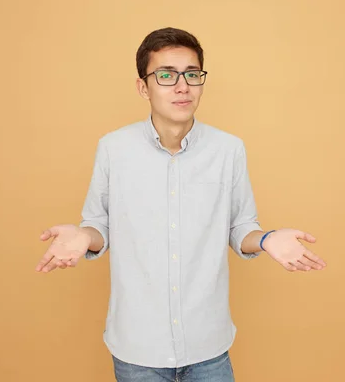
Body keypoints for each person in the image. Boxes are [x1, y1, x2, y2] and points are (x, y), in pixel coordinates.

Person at [35, 27, 326, 382]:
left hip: (208, 345)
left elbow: (240, 226)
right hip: (137, 348)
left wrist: (266, 239)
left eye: (192, 74)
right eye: (166, 75)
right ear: (144, 87)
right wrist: (84, 235)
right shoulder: (114, 148)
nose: (182, 86)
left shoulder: (228, 149)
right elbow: (100, 224)